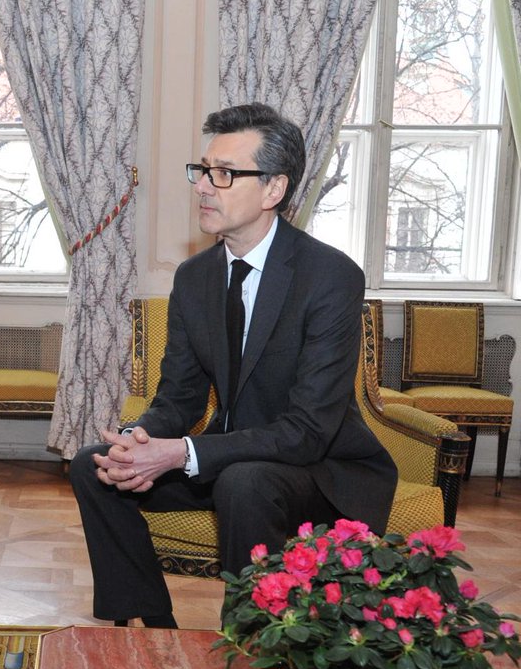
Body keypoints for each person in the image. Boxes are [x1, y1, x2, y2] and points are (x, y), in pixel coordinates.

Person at [70, 103, 397, 629]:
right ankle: (152, 630)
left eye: (223, 174)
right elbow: (178, 398)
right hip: (231, 458)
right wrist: (138, 440)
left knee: (244, 482)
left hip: (320, 470)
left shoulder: (330, 276)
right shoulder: (195, 277)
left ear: (274, 189)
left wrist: (184, 452)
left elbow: (308, 431)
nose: (203, 186)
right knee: (95, 465)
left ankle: (250, 645)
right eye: (202, 170)